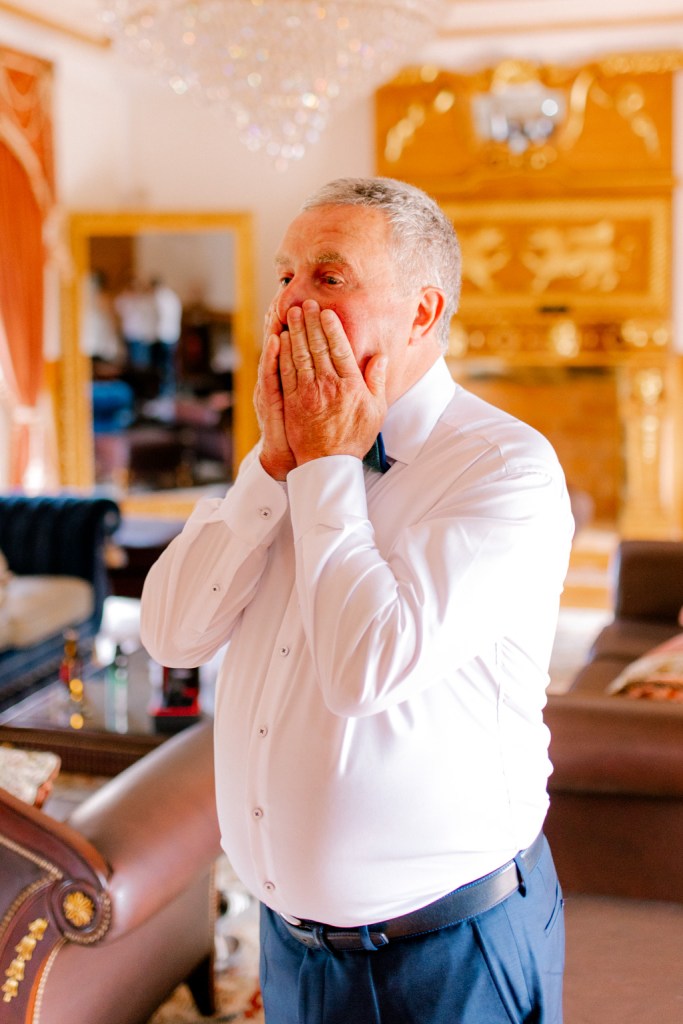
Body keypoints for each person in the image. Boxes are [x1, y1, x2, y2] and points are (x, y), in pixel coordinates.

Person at [140, 177, 574, 1024]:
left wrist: (330, 467)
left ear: (421, 313)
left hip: (451, 953)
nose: (289, 305)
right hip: (291, 949)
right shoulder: (284, 455)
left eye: (328, 278)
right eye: (285, 277)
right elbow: (171, 635)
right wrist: (272, 468)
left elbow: (363, 667)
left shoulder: (504, 469)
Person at [151, 276, 183, 394]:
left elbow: (158, 318)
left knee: (165, 365)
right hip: (173, 335)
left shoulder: (160, 297)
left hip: (164, 336)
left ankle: (166, 389)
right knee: (170, 364)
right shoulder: (171, 296)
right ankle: (170, 388)